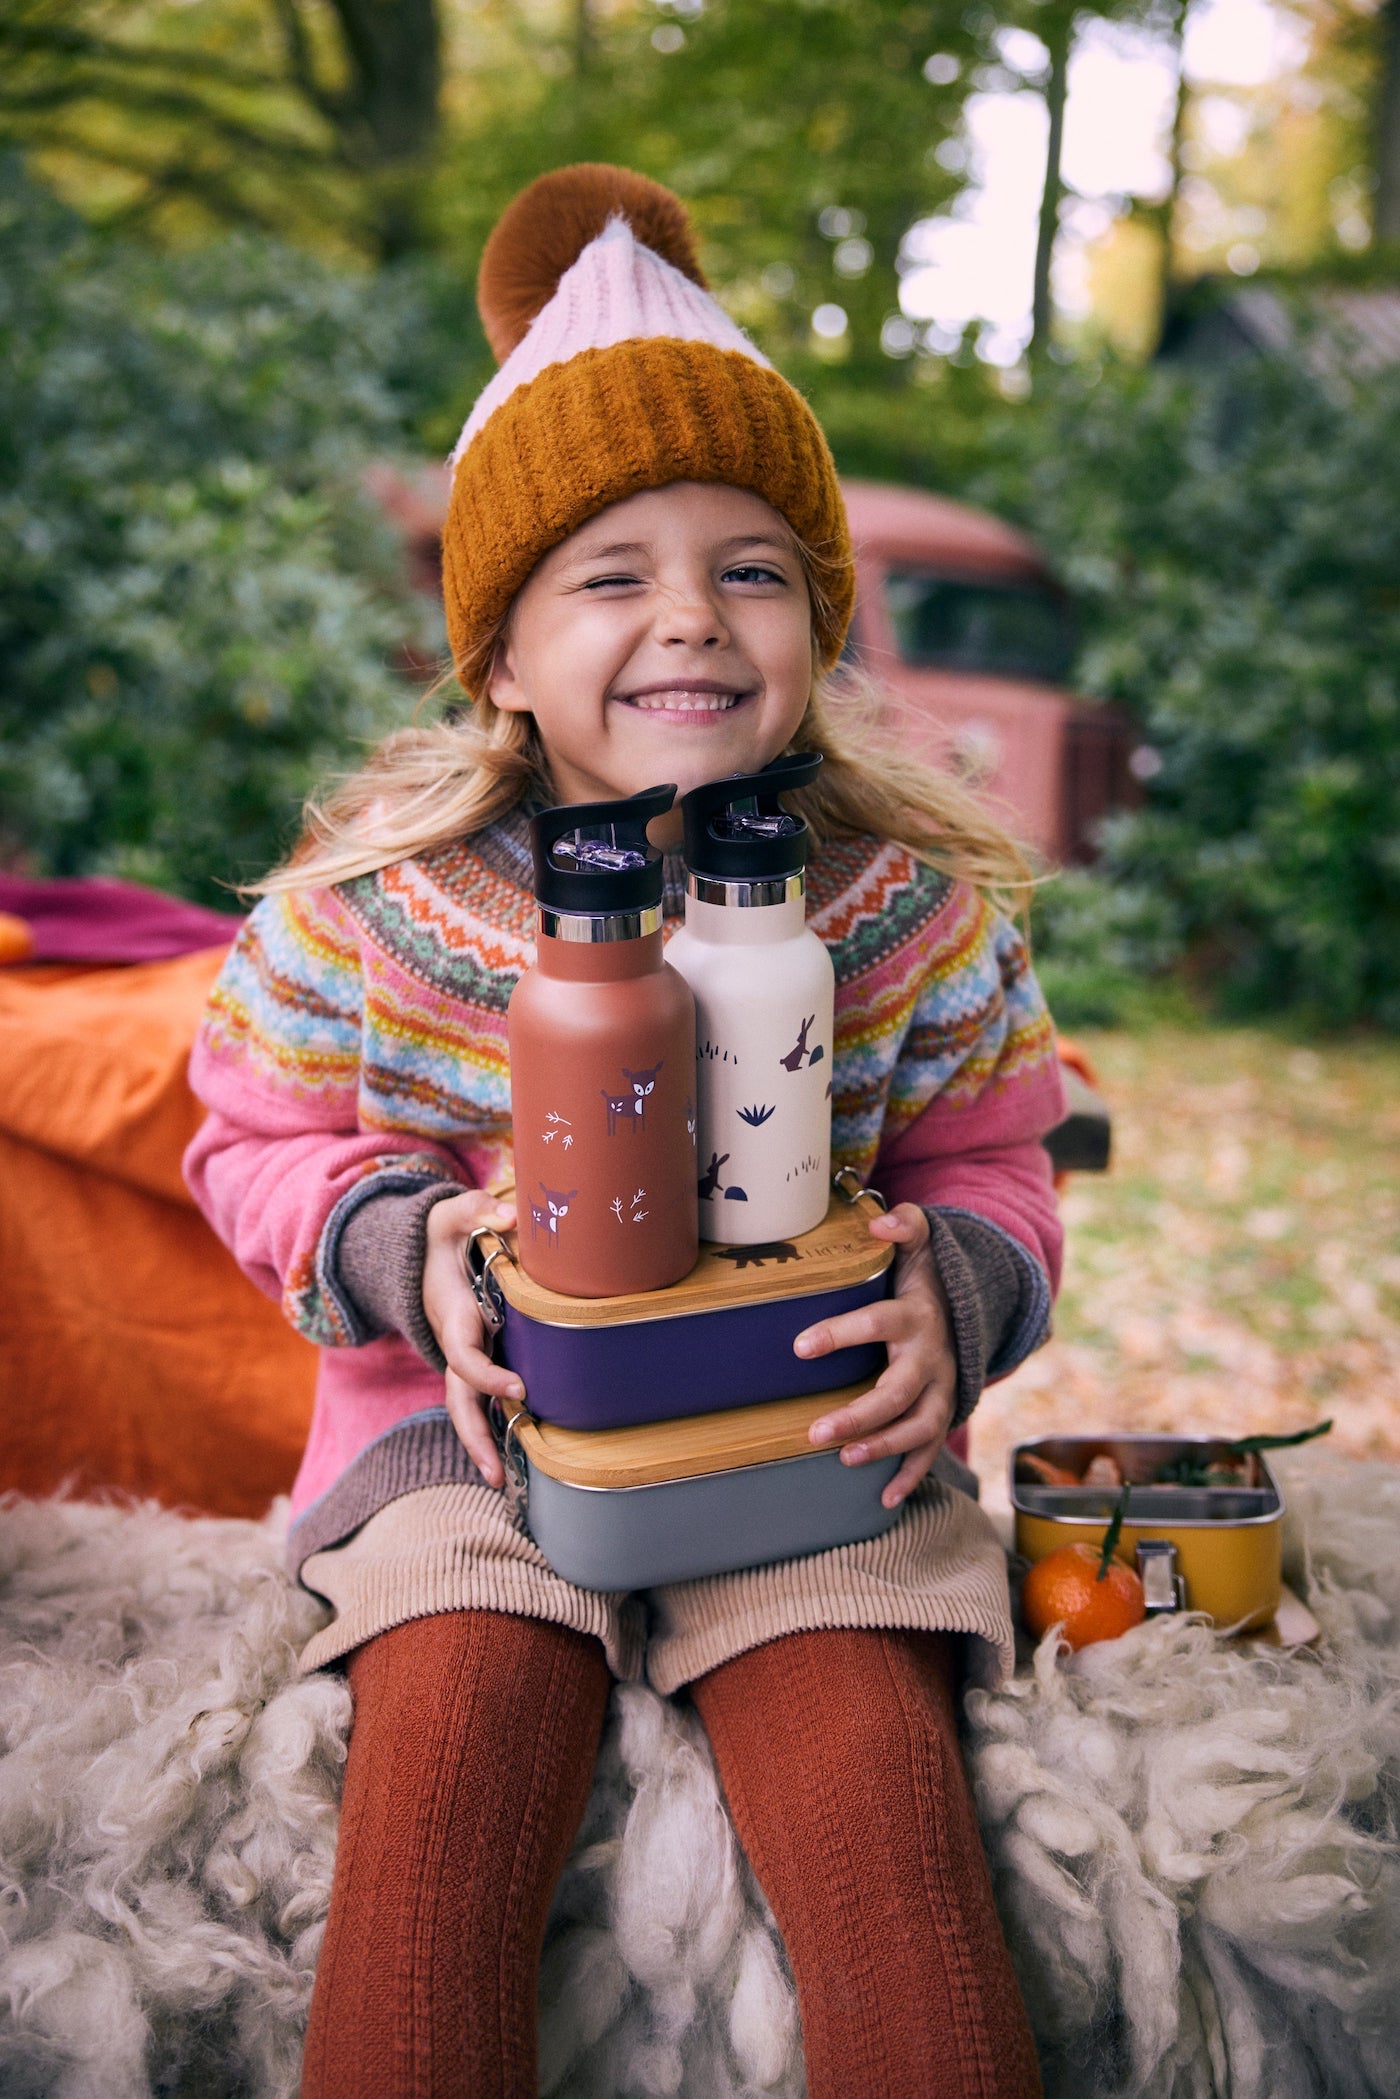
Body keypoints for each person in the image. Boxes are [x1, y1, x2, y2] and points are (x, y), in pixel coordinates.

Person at [185, 164, 1065, 2099]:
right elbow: (246, 1138)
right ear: (500, 651)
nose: (692, 617)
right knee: (447, 1784)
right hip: (474, 1445)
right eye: (612, 572)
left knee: (887, 1828)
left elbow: (991, 1162)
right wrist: (394, 1244)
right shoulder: (378, 917)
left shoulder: (905, 916)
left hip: (808, 1434)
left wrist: (966, 1296)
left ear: (821, 630)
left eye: (755, 567)